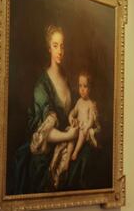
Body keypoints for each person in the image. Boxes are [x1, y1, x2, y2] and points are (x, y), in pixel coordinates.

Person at [10, 25, 98, 193]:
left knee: (88, 158)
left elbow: (72, 112)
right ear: (49, 48)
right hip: (46, 149)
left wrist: (74, 121)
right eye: (55, 45)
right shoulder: (41, 86)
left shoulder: (66, 78)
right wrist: (68, 135)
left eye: (62, 45)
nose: (60, 50)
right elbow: (43, 131)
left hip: (66, 140)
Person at [69, 72, 100, 160]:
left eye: (85, 86)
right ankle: (68, 155)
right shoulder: (79, 101)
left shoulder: (90, 104)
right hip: (78, 127)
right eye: (80, 86)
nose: (82, 89)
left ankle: (75, 152)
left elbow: (91, 120)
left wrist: (86, 127)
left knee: (82, 133)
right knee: (71, 133)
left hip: (84, 129)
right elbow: (73, 112)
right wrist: (71, 117)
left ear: (90, 88)